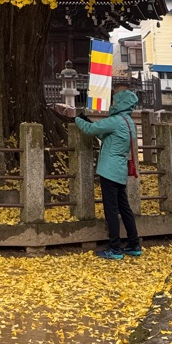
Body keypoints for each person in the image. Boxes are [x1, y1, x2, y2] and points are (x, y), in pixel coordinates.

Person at [57, 79, 141, 261]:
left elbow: (90, 130)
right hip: (119, 170)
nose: (113, 103)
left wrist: (78, 119)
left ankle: (114, 247)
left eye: (115, 100)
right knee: (124, 208)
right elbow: (105, 134)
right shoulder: (128, 122)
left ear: (120, 103)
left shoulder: (115, 120)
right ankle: (134, 244)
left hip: (109, 170)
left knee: (111, 209)